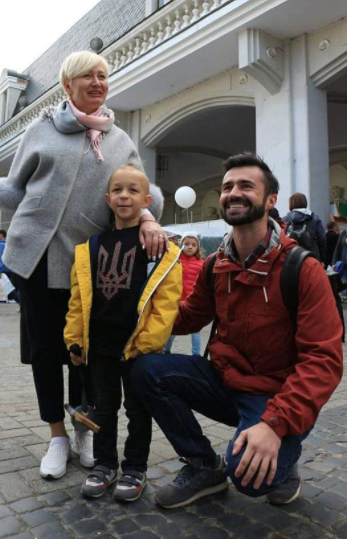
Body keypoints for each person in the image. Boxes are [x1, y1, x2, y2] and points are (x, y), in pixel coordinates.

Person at [0, 50, 168, 480]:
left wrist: (147, 218)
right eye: (87, 76)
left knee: (86, 353)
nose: (97, 82)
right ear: (67, 85)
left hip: (89, 264)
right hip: (34, 257)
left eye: (102, 75)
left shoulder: (120, 141)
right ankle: (57, 435)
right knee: (45, 349)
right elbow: (12, 188)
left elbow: (137, 191)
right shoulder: (40, 129)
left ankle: (84, 429)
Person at [132, 153, 343, 510]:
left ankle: (285, 454)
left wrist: (274, 424)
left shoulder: (301, 268)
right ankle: (204, 467)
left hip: (275, 395)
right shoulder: (216, 265)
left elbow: (324, 360)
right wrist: (136, 309)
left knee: (248, 478)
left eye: (246, 186)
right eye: (228, 187)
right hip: (224, 381)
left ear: (271, 200)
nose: (233, 193)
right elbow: (188, 318)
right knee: (145, 369)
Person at [65, 165, 182, 501]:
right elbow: (78, 299)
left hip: (137, 349)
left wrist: (148, 344)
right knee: (103, 408)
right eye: (117, 190)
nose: (124, 196)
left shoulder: (158, 248)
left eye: (133, 191)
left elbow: (166, 303)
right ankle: (105, 464)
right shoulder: (90, 247)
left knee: (138, 410)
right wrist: (74, 339)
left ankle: (135, 468)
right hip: (100, 347)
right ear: (108, 199)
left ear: (146, 201)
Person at [164, 232, 203, 356]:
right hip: (176, 301)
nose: (190, 247)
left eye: (193, 245)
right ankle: (166, 351)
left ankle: (196, 355)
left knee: (196, 330)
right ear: (181, 245)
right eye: (186, 244)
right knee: (173, 328)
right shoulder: (175, 261)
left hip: (193, 303)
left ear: (197, 247)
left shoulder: (201, 264)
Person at [283, 193, 326, 263]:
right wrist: (322, 259)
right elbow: (322, 239)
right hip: (312, 258)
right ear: (305, 202)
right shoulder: (314, 219)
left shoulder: (285, 220)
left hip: (290, 259)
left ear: (291, 203)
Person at [0, 230, 20, 304]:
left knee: (9, 288)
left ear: (1, 235)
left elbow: (2, 258)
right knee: (10, 287)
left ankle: (20, 302)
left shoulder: (1, 244)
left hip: (4, 269)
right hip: (10, 267)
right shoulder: (9, 243)